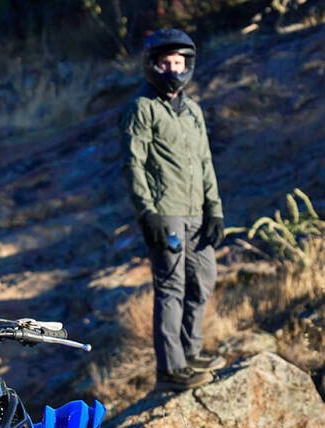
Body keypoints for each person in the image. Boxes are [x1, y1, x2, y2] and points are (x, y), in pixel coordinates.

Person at [120, 28, 226, 392]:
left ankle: (191, 352)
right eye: (166, 63)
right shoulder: (142, 108)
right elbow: (133, 164)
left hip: (197, 211)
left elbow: (205, 162)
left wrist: (215, 210)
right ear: (152, 64)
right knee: (171, 288)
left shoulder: (193, 110)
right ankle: (171, 369)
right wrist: (147, 212)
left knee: (204, 279)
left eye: (179, 62)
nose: (173, 69)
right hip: (165, 212)